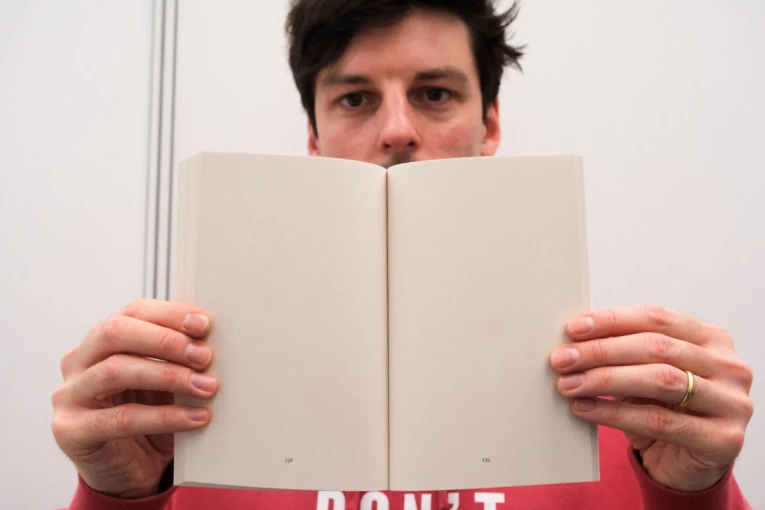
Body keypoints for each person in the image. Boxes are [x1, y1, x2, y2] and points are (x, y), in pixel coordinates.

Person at [52, 1, 754, 509]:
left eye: (435, 93)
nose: (396, 130)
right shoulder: (192, 421)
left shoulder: (625, 421)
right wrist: (120, 497)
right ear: (313, 139)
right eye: (356, 98)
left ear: (490, 126)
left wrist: (692, 495)